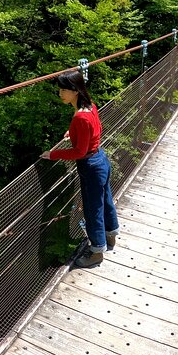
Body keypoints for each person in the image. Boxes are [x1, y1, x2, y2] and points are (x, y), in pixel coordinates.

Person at [41, 70, 120, 268]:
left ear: (75, 91)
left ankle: (96, 252)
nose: (60, 93)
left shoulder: (80, 119)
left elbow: (79, 152)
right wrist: (72, 133)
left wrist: (53, 154)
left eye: (63, 89)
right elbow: (94, 130)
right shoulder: (90, 107)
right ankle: (111, 236)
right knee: (105, 200)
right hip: (100, 160)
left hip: (91, 166)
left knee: (93, 209)